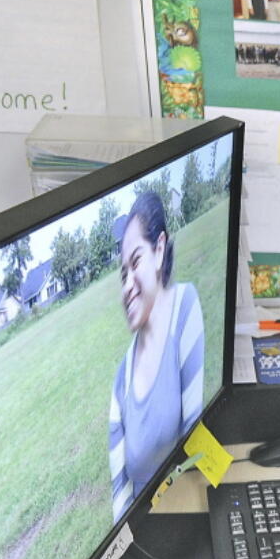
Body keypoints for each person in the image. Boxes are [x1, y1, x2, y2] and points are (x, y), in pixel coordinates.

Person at [108, 194, 205, 522]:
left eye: (135, 262)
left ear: (159, 250)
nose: (127, 287)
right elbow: (120, 493)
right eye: (123, 275)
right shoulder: (121, 379)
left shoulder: (184, 307)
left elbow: (196, 442)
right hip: (143, 530)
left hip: (184, 511)